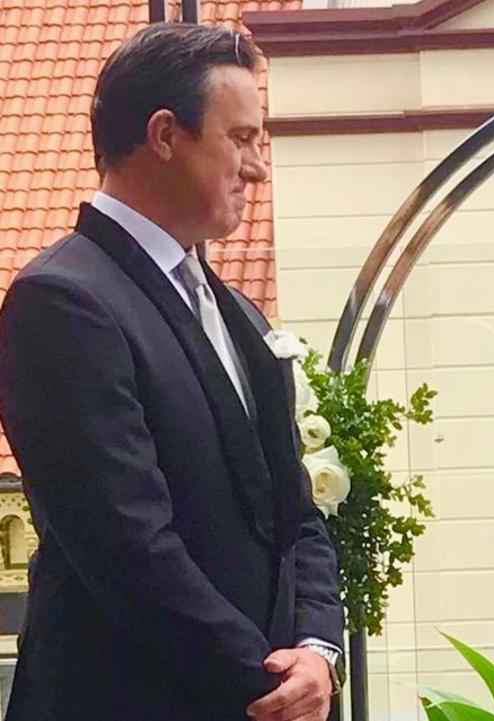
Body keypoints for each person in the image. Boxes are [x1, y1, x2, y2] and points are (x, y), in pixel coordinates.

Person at [0, 24, 344, 721]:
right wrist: (263, 685)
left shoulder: (238, 311)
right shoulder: (63, 301)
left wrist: (316, 648)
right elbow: (126, 545)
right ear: (164, 134)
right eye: (242, 138)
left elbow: (296, 511)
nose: (258, 167)